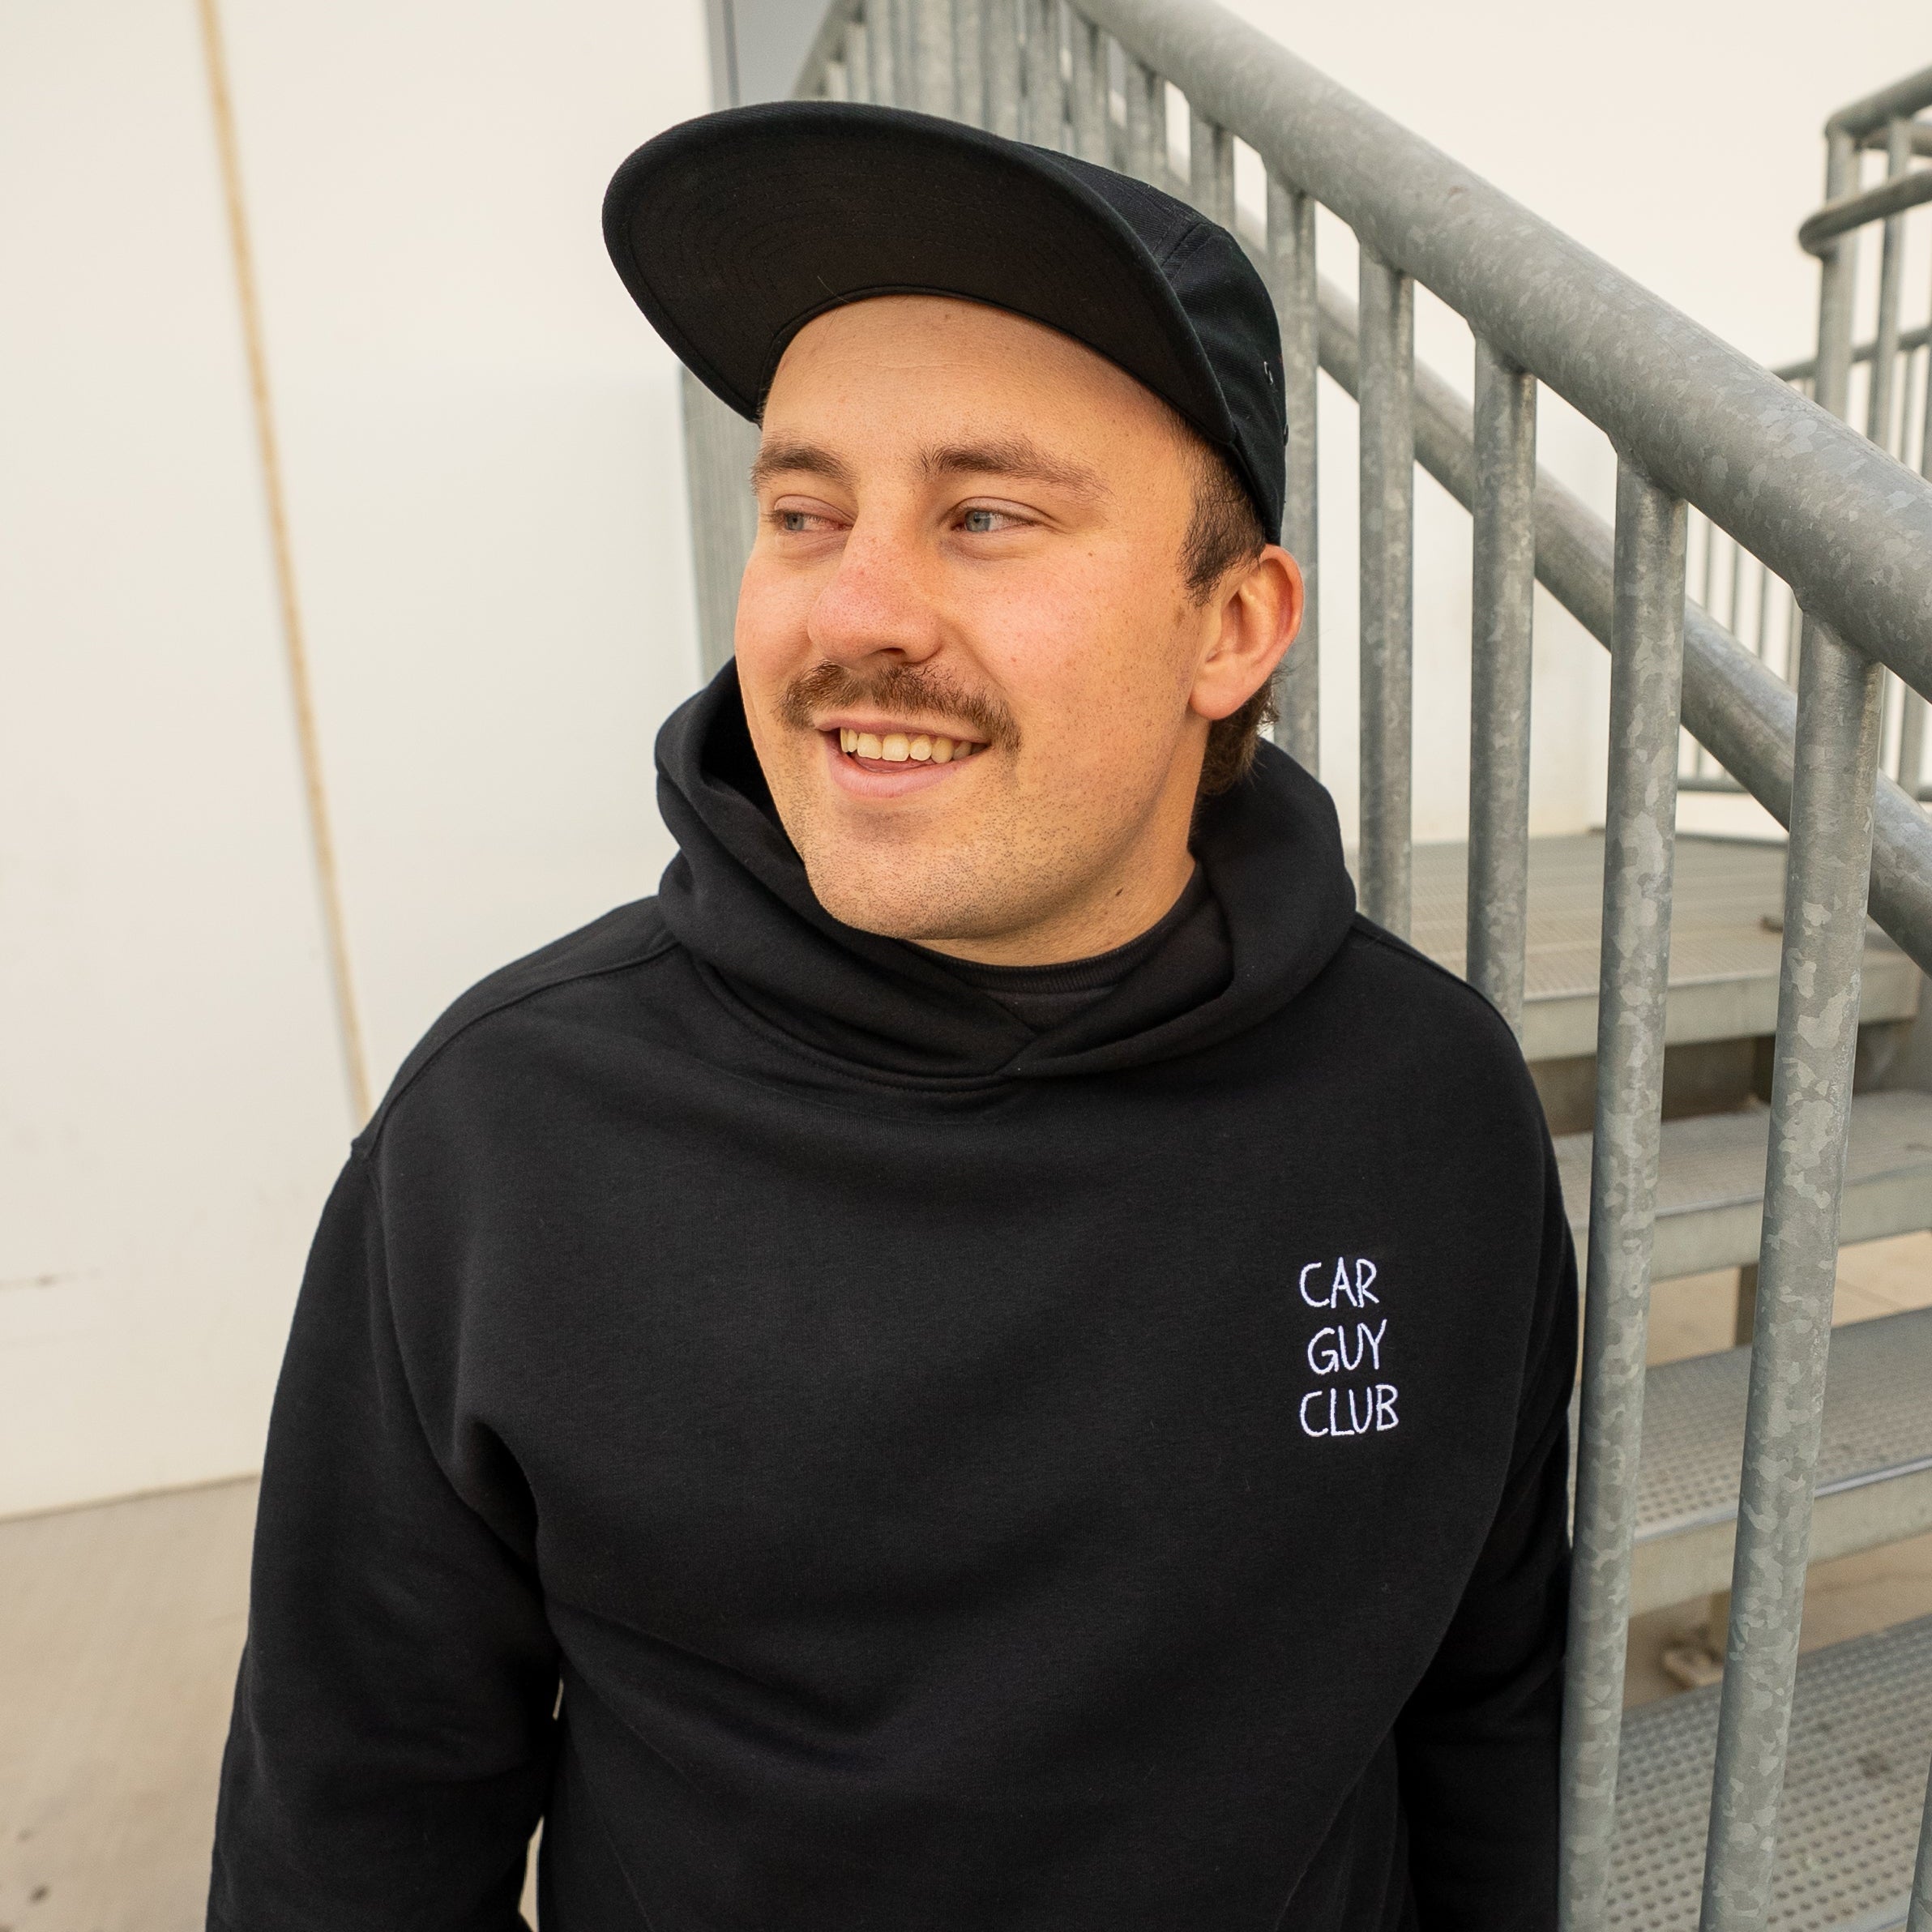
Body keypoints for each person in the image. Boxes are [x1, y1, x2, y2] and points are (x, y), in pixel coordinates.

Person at [208, 100, 1574, 1932]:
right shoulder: (508, 1136)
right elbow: (351, 1831)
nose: (853, 610)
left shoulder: (1423, 1102)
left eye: (985, 513)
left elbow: (1483, 1709)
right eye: (803, 510)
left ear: (1232, 627)